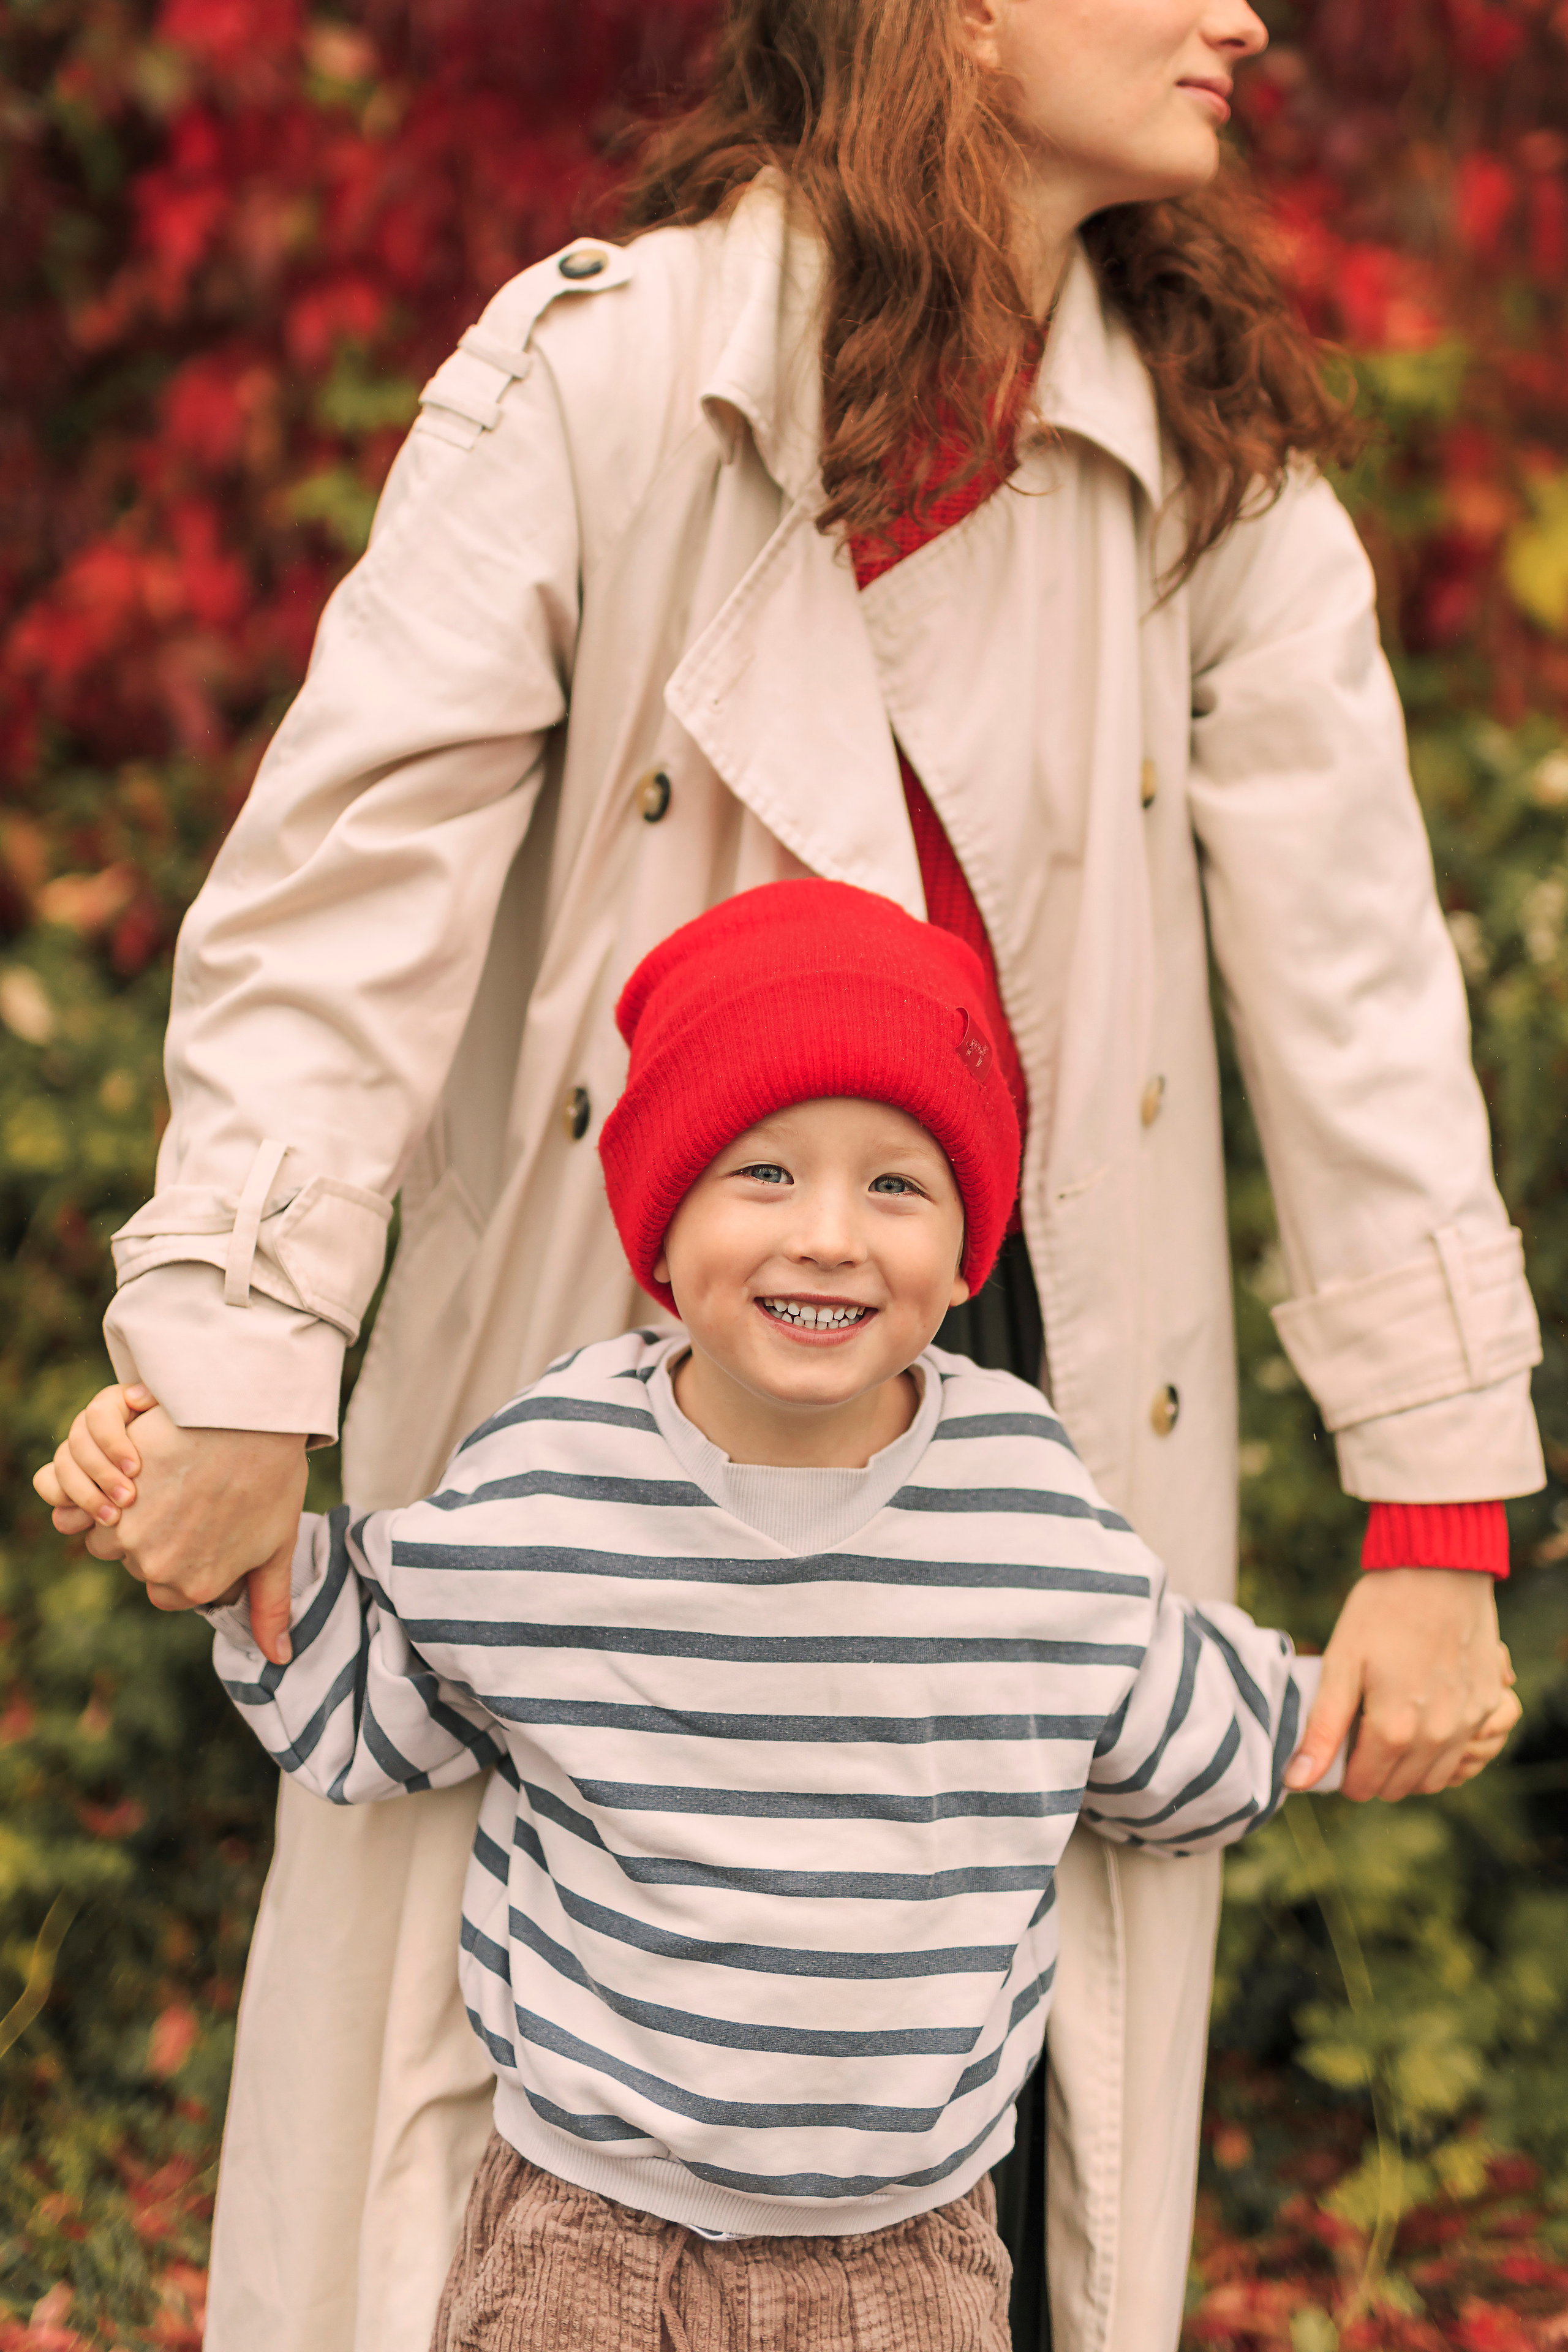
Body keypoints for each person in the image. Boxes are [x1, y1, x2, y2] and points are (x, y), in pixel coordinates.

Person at [46, 1, 1543, 2347]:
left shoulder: (1217, 477)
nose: (1246, 12)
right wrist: (239, 1356)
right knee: (475, 2186)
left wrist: (1440, 1513)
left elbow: (1359, 994)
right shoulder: (603, 381)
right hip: (595, 1385)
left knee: (980, 2156)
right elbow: (347, 893)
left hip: (1018, 1395)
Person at [39, 886, 1517, 2351]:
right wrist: (193, 1525)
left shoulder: (1024, 1503)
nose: (828, 1235)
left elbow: (1166, 1717)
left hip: (907, 2258)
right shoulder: (556, 1475)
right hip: (583, 2235)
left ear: (961, 1247)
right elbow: (369, 1697)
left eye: (895, 1185)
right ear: (660, 1225)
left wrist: (1361, 1710)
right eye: (761, 1173)